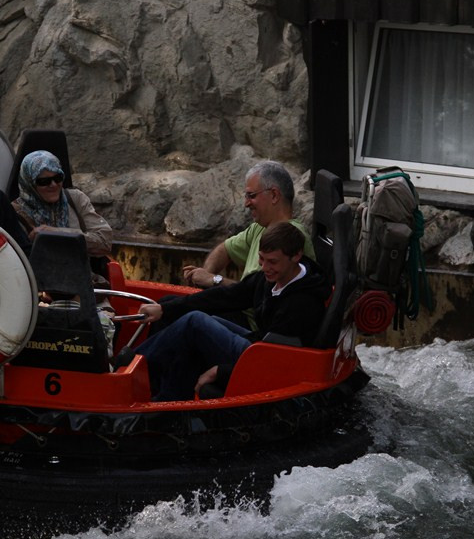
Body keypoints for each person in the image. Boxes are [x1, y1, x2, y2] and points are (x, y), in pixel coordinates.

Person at [134, 221, 329, 401]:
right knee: (187, 314)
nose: (266, 267)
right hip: (259, 343)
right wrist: (164, 309)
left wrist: (222, 371)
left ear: (295, 256)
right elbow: (226, 296)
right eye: (261, 259)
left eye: (273, 261)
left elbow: (275, 362)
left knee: (195, 322)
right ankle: (166, 399)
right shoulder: (270, 279)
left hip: (262, 356)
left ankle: (131, 363)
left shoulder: (302, 303)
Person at [182, 160, 316, 289]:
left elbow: (258, 295)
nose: (246, 203)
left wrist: (214, 280)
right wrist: (205, 275)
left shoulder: (290, 237)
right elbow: (225, 249)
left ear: (274, 195)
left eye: (251, 196)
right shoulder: (260, 227)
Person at [13, 150, 113, 262]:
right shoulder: (15, 212)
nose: (53, 185)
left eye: (58, 177)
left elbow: (105, 242)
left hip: (81, 275)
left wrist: (58, 233)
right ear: (29, 184)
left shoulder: (75, 199)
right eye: (44, 181)